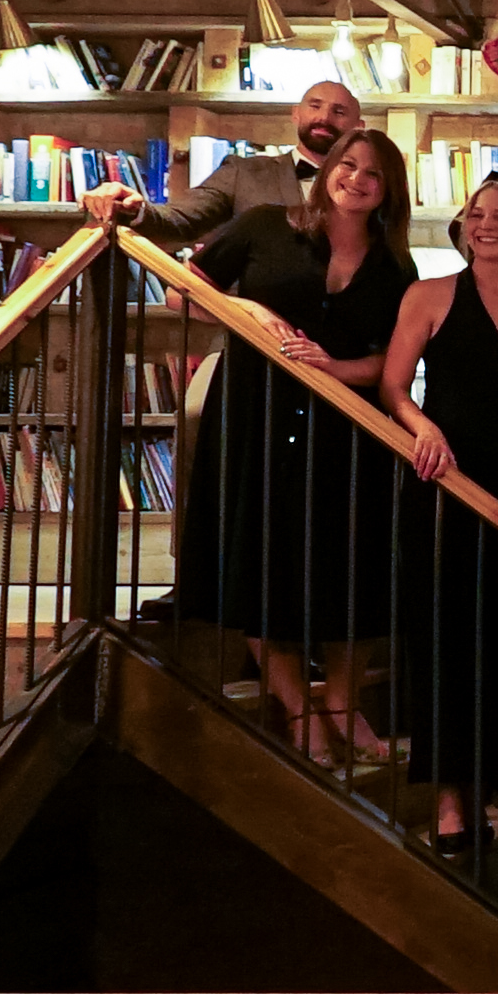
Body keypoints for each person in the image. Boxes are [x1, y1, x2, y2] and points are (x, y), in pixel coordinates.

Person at [179, 126, 415, 761]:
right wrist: (249, 315)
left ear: (390, 190)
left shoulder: (396, 264)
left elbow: (391, 359)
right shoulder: (262, 225)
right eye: (349, 165)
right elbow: (188, 289)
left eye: (375, 173)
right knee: (257, 562)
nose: (358, 179)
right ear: (328, 168)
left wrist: (334, 371)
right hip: (255, 411)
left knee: (352, 571)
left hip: (346, 429)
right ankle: (298, 711)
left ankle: (343, 704)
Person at [380, 177, 498, 843]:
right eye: (476, 214)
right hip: (444, 483)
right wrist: (421, 427)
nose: (487, 225)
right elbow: (394, 386)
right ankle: (452, 798)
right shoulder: (429, 295)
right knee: (446, 638)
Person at [83, 79, 366, 247]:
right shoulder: (243, 172)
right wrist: (135, 208)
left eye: (339, 111)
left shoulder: (371, 185)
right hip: (249, 332)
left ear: (358, 127)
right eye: (314, 106)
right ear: (296, 114)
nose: (324, 118)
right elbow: (181, 220)